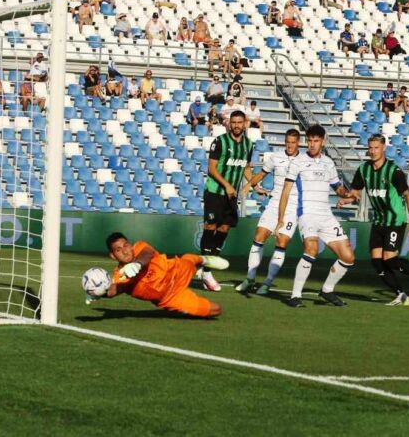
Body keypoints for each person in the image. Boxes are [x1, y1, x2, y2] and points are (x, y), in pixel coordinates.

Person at [338, 135, 409, 305]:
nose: (372, 151)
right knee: (377, 262)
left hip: (395, 220)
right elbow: (356, 192)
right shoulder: (364, 170)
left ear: (383, 148)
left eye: (376, 148)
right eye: (370, 148)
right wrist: (347, 199)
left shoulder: (393, 171)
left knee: (389, 259)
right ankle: (401, 295)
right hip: (378, 221)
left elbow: (407, 196)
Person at [275, 125, 355, 308]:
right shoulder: (298, 162)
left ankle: (327, 290)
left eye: (316, 140)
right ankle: (295, 296)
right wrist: (281, 219)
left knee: (348, 256)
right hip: (307, 215)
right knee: (311, 248)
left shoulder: (328, 163)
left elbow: (338, 188)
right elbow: (286, 192)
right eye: (309, 140)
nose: (312, 144)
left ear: (323, 141)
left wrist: (349, 194)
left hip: (326, 215)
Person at [84, 232, 229, 318]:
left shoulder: (140, 247)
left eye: (126, 245)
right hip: (171, 298)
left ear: (131, 244)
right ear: (113, 256)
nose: (125, 251)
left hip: (175, 271)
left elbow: (148, 253)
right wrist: (98, 293)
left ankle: (204, 259)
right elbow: (113, 290)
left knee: (190, 261)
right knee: (216, 310)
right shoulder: (120, 276)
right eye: (118, 250)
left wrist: (137, 264)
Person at [235, 129, 302, 294]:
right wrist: (247, 186)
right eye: (287, 142)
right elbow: (261, 174)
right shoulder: (276, 157)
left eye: (293, 142)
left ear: (298, 143)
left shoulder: (304, 160)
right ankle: (250, 278)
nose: (290, 145)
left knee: (281, 242)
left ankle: (267, 283)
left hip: (292, 207)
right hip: (273, 204)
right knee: (259, 236)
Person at [199, 111, 254, 292]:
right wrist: (227, 185)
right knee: (211, 226)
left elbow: (245, 167)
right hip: (215, 191)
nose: (237, 125)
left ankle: (206, 269)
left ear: (245, 123)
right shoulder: (220, 142)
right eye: (234, 122)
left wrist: (254, 184)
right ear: (230, 124)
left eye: (240, 122)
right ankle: (206, 272)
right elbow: (211, 169)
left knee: (224, 228)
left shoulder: (248, 145)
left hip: (231, 196)